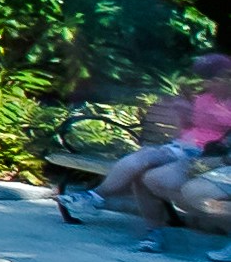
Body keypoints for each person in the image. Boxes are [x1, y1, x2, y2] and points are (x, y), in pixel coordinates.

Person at [90, 55, 231, 222]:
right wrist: (182, 115)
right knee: (144, 163)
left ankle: (96, 197)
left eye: (211, 79)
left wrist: (211, 116)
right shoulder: (203, 99)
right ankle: (97, 198)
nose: (206, 83)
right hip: (185, 147)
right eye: (205, 79)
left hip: (208, 156)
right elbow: (189, 129)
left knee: (151, 173)